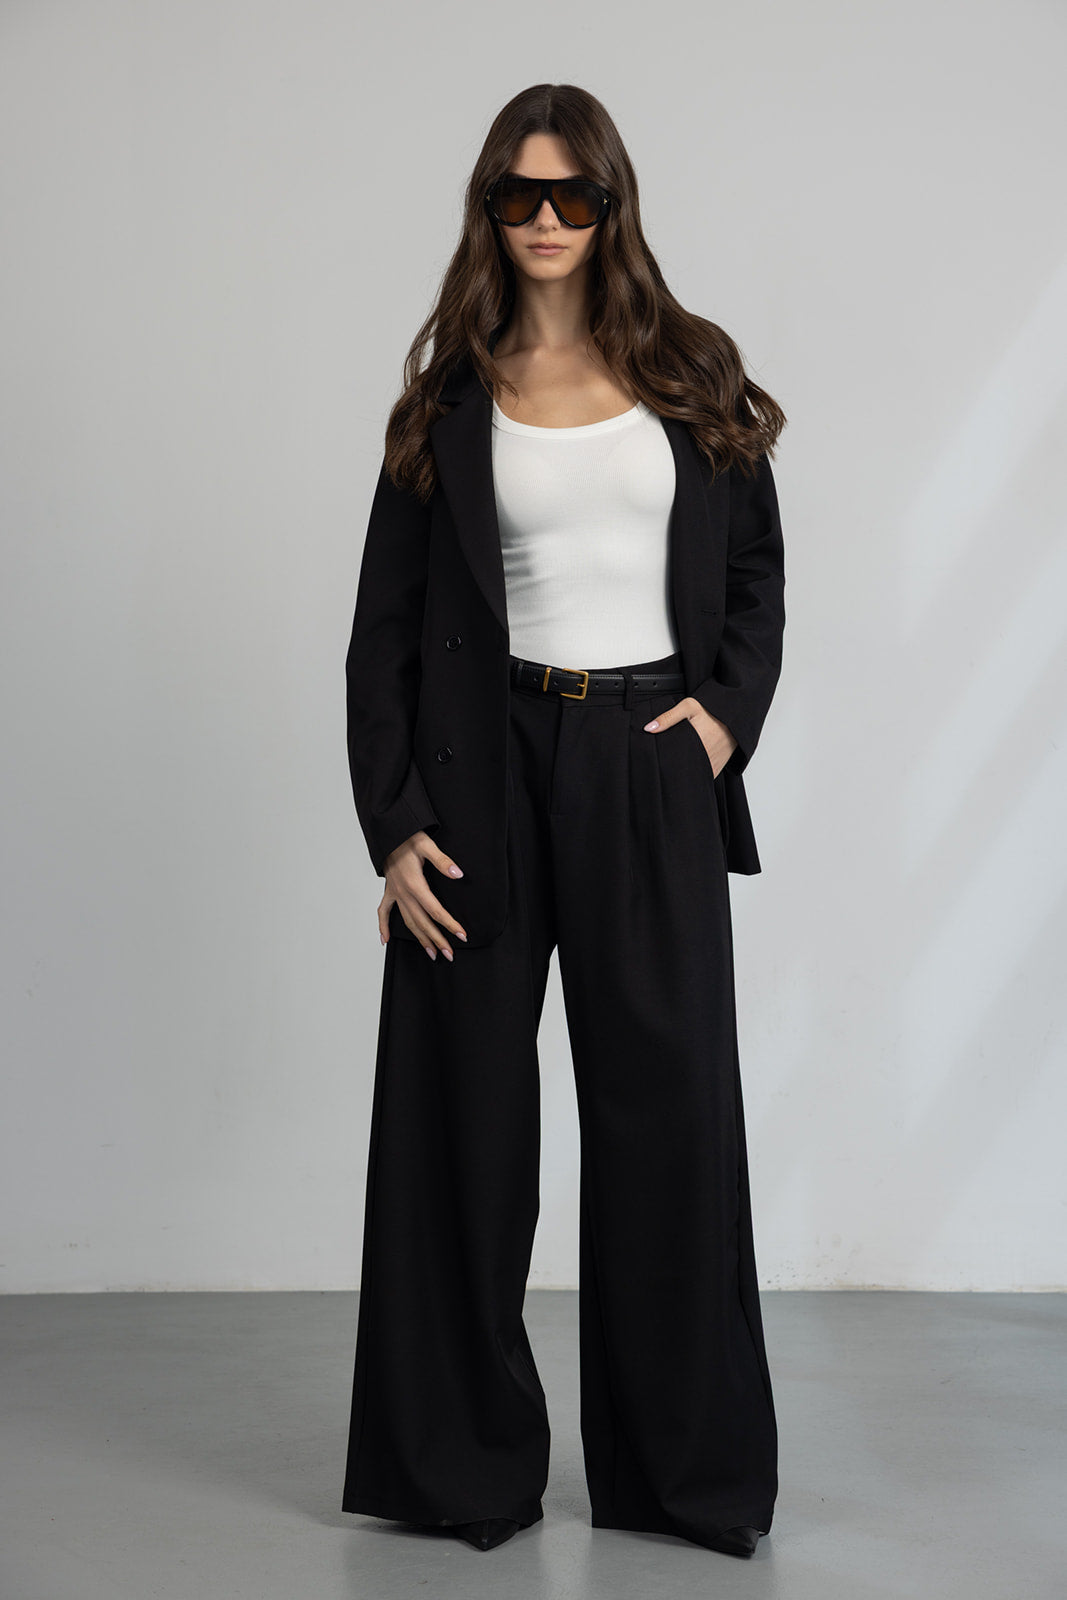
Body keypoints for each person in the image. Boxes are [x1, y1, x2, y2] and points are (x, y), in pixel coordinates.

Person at [340, 82, 787, 1560]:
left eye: (572, 196)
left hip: (644, 763)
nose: (545, 219)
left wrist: (721, 718)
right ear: (489, 210)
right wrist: (394, 825)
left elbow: (754, 576)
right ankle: (459, 1468)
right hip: (480, 775)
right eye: (519, 196)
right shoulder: (447, 399)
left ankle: (679, 1478)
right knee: (462, 1119)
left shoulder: (690, 372)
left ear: (610, 207)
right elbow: (382, 636)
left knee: (669, 1120)